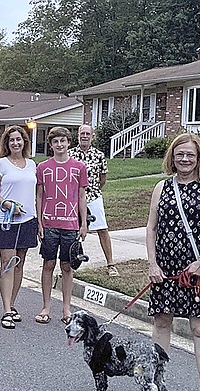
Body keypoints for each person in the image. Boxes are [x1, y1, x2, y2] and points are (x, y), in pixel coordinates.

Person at [145, 133, 200, 391]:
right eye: (180, 154)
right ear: (172, 157)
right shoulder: (162, 187)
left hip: (195, 268)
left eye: (190, 154)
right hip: (165, 267)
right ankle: (155, 383)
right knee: (162, 324)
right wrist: (153, 264)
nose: (185, 159)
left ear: (199, 157)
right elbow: (151, 228)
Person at [35, 127, 88, 325]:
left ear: (68, 142)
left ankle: (66, 307)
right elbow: (39, 195)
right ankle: (46, 306)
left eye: (63, 141)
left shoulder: (79, 167)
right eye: (55, 142)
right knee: (48, 264)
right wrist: (39, 222)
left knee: (67, 265)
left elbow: (82, 196)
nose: (59, 145)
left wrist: (83, 223)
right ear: (50, 145)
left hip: (70, 224)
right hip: (49, 223)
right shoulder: (43, 168)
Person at [0, 125, 38, 329]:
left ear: (25, 141)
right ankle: (6, 309)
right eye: (11, 140)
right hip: (6, 221)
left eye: (19, 139)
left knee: (20, 262)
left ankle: (13, 304)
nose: (15, 143)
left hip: (28, 220)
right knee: (7, 262)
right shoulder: (1, 164)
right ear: (6, 144)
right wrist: (7, 204)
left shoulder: (32, 165)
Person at [69, 124, 119, 277]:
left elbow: (102, 177)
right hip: (74, 198)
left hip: (93, 196)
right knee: (72, 231)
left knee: (102, 229)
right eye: (82, 133)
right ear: (78, 136)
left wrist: (94, 189)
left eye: (87, 134)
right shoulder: (70, 154)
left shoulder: (99, 155)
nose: (84, 136)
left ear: (93, 136)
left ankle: (111, 264)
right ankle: (71, 263)